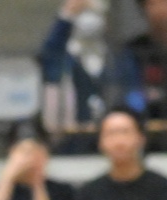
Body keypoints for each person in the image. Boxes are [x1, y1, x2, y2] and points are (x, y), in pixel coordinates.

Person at [39, 0, 115, 136]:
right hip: (71, 133)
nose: (89, 22)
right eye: (83, 14)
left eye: (94, 14)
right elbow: (50, 51)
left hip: (109, 133)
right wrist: (67, 15)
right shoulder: (63, 58)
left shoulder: (113, 55)